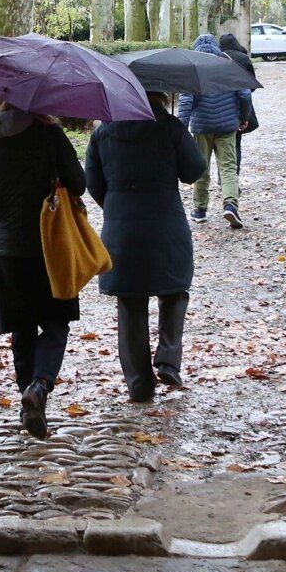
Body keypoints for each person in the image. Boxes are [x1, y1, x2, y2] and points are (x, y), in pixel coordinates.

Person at [0, 100, 87, 439]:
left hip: (7, 250)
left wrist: (1, 218)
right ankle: (40, 386)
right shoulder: (49, 132)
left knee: (21, 329)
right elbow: (78, 183)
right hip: (52, 245)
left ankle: (28, 403)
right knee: (56, 321)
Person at [85, 93, 207, 397]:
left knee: (130, 301)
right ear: (160, 94)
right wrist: (177, 133)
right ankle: (168, 359)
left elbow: (93, 183)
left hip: (121, 229)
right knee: (175, 290)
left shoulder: (103, 131)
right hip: (166, 224)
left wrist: (116, 207)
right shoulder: (170, 126)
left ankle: (139, 383)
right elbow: (194, 171)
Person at [177, 33, 252, 228]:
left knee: (202, 167)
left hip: (202, 127)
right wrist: (243, 117)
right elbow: (245, 95)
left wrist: (181, 128)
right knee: (228, 167)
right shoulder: (228, 66)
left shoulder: (193, 70)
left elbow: (186, 101)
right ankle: (230, 205)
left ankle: (200, 210)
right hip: (227, 126)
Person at [218, 32, 259, 175]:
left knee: (220, 144)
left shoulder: (216, 58)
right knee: (236, 143)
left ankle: (222, 175)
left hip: (220, 104)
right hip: (239, 106)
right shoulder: (243, 58)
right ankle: (233, 176)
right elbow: (252, 85)